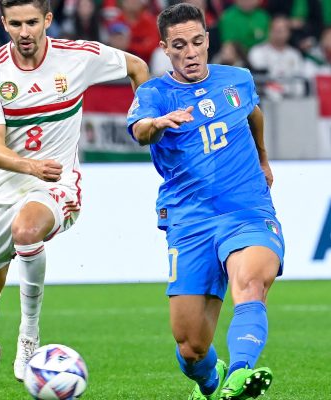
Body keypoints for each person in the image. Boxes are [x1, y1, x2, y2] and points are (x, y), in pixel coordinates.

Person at [0, 1, 149, 399]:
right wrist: (30, 166)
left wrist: (143, 122)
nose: (25, 31)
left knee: (26, 230)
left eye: (32, 22)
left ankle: (29, 334)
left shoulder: (78, 57)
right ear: (4, 24)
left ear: (47, 20)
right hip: (3, 187)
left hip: (56, 184)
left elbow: (137, 66)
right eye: (16, 23)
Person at [126, 4, 284, 400]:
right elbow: (140, 131)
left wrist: (263, 158)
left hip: (247, 209)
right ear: (165, 48)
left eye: (197, 42)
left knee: (250, 283)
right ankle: (212, 383)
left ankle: (241, 373)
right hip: (190, 219)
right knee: (190, 346)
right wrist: (158, 123)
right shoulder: (155, 94)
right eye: (179, 46)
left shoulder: (237, 79)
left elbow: (253, 113)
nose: (191, 52)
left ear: (207, 40)